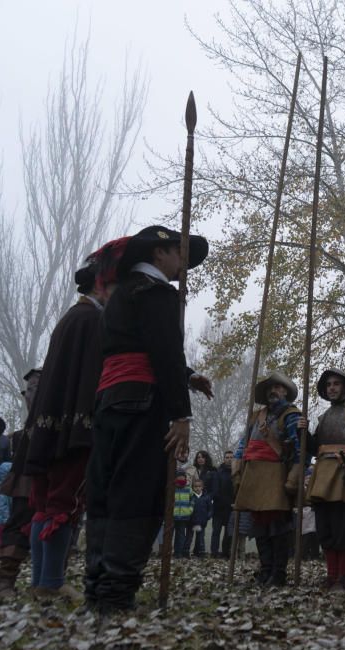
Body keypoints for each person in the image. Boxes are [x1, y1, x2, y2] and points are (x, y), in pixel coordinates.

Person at [84, 225, 213, 614]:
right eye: (180, 254)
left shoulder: (120, 295)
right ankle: (116, 596)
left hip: (110, 402)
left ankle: (97, 591)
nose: (183, 264)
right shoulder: (158, 294)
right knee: (136, 494)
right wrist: (181, 414)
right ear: (159, 253)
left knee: (105, 494)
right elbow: (162, 352)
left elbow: (131, 347)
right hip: (144, 404)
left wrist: (187, 374)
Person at [23, 239, 128, 601]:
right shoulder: (91, 321)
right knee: (64, 504)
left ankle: (42, 581)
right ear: (101, 286)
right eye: (115, 287)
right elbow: (92, 380)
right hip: (74, 431)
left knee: (46, 504)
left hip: (49, 430)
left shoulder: (71, 318)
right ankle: (50, 583)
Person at [232, 372, 302, 587]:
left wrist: (294, 476)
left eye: (279, 387)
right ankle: (265, 569)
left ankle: (278, 573)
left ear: (286, 392)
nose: (274, 391)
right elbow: (244, 443)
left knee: (278, 527)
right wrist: (237, 466)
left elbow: (298, 449)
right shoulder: (256, 416)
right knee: (260, 527)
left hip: (275, 474)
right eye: (271, 388)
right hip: (253, 475)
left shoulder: (291, 415)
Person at [305, 368, 345, 591]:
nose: (332, 388)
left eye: (336, 384)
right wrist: (304, 434)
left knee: (343, 529)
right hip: (323, 477)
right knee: (326, 528)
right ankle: (332, 575)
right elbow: (314, 448)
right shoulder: (324, 417)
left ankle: (343, 578)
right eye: (329, 385)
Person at [0, 368, 42, 598]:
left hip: (55, 454)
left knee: (58, 518)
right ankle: (5, 580)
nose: (29, 395)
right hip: (30, 462)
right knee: (19, 520)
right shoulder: (20, 434)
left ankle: (48, 581)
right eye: (29, 391)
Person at [211, 451, 235, 558]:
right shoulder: (218, 473)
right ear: (224, 459)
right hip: (219, 507)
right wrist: (221, 501)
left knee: (228, 533)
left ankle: (226, 553)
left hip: (231, 508)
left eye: (231, 457)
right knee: (216, 531)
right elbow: (215, 490)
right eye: (227, 457)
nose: (229, 459)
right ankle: (214, 553)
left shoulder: (236, 473)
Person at [173, 470, 194, 558]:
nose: (181, 478)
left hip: (184, 516)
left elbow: (192, 501)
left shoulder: (188, 489)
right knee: (172, 535)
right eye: (179, 476)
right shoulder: (173, 488)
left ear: (185, 478)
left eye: (183, 476)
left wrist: (190, 510)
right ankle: (173, 551)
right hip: (173, 516)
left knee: (181, 535)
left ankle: (179, 553)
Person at [190, 478, 212, 557]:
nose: (197, 488)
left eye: (199, 486)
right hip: (192, 521)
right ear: (193, 487)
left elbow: (210, 508)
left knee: (201, 538)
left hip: (202, 521)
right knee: (189, 538)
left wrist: (208, 516)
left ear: (202, 487)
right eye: (195, 486)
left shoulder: (206, 497)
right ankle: (186, 551)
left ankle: (201, 552)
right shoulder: (191, 496)